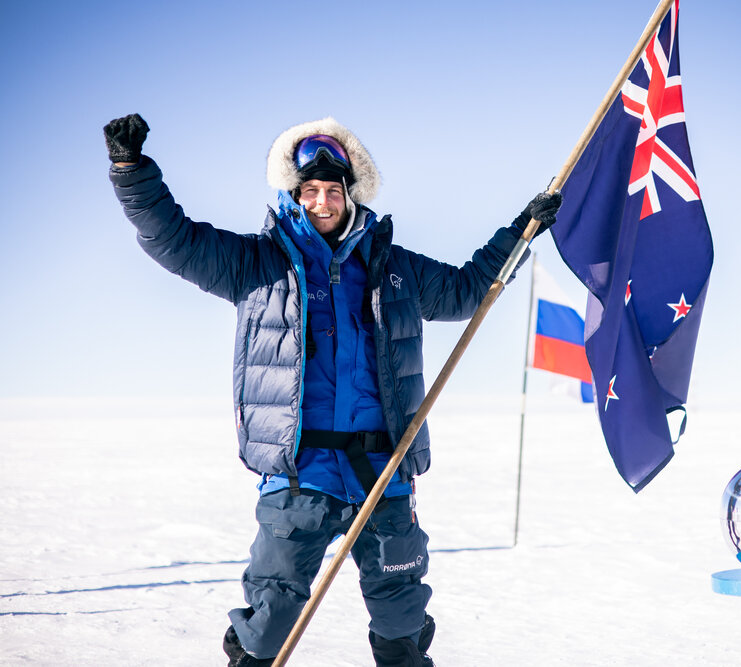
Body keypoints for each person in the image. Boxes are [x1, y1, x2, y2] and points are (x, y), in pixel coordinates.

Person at [103, 113, 561, 666]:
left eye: (333, 190)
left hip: (382, 472)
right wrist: (132, 172)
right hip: (299, 473)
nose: (323, 202)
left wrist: (522, 230)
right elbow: (173, 240)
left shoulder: (393, 268)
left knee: (402, 622)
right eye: (311, 191)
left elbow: (468, 290)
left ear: (350, 193)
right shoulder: (257, 265)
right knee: (269, 621)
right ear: (294, 195)